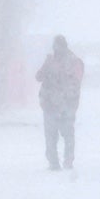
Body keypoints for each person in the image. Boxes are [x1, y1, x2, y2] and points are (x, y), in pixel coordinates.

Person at [35, 35, 84, 170]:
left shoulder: (73, 61)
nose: (56, 49)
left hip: (63, 104)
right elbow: (39, 76)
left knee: (64, 134)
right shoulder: (51, 60)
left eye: (58, 46)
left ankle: (65, 161)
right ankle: (55, 162)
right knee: (55, 135)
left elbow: (75, 81)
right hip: (52, 104)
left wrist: (58, 84)